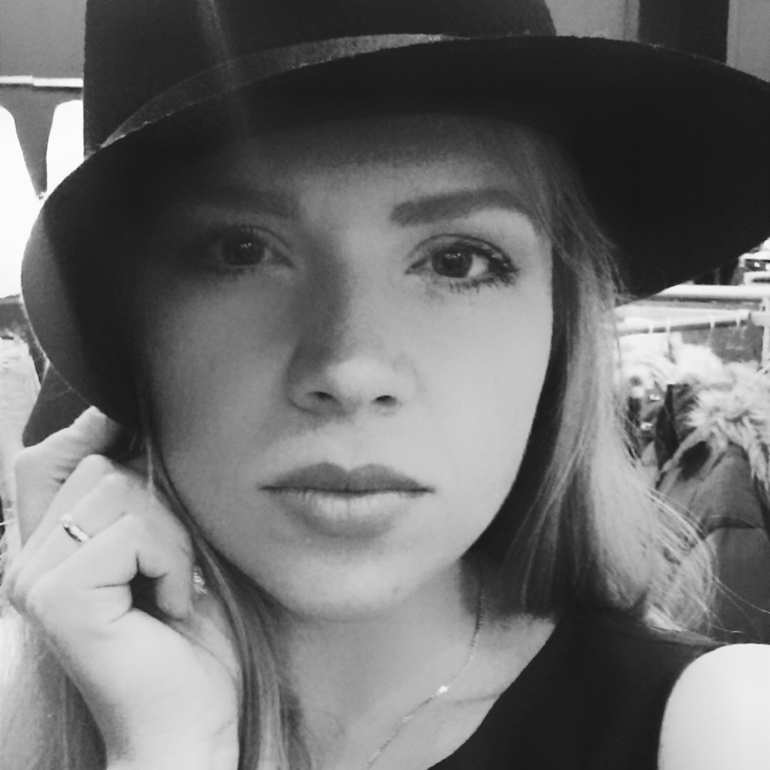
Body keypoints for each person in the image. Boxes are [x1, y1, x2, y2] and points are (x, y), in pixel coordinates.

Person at [2, 1, 770, 768]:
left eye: (458, 261)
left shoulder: (719, 730)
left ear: (560, 330)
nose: (350, 370)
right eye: (241, 251)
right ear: (129, 335)